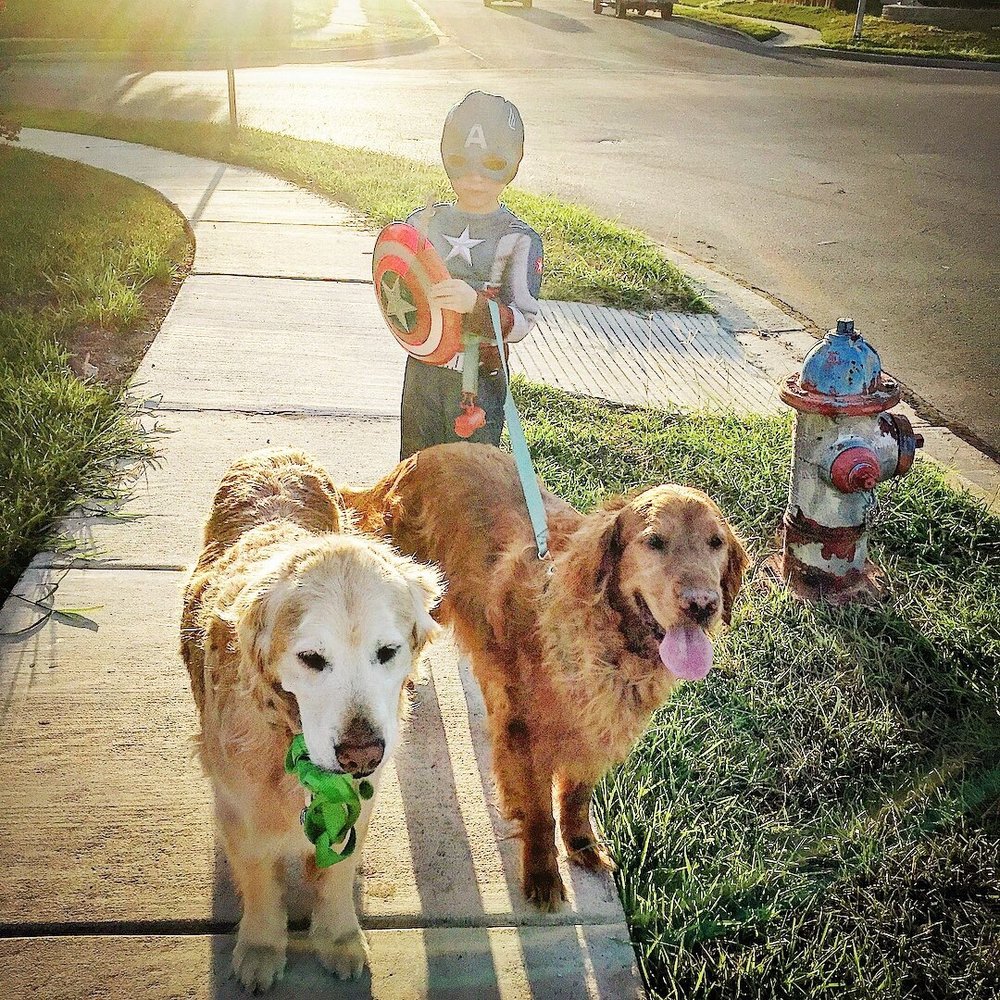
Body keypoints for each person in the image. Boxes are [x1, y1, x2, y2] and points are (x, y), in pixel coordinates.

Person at [399, 91, 543, 460]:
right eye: (462, 163)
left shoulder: (517, 239)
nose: (475, 178)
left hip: (479, 381)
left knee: (472, 475)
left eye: (492, 164)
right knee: (415, 469)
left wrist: (475, 305)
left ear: (513, 162)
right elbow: (398, 287)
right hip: (424, 371)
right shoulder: (424, 223)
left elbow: (522, 321)